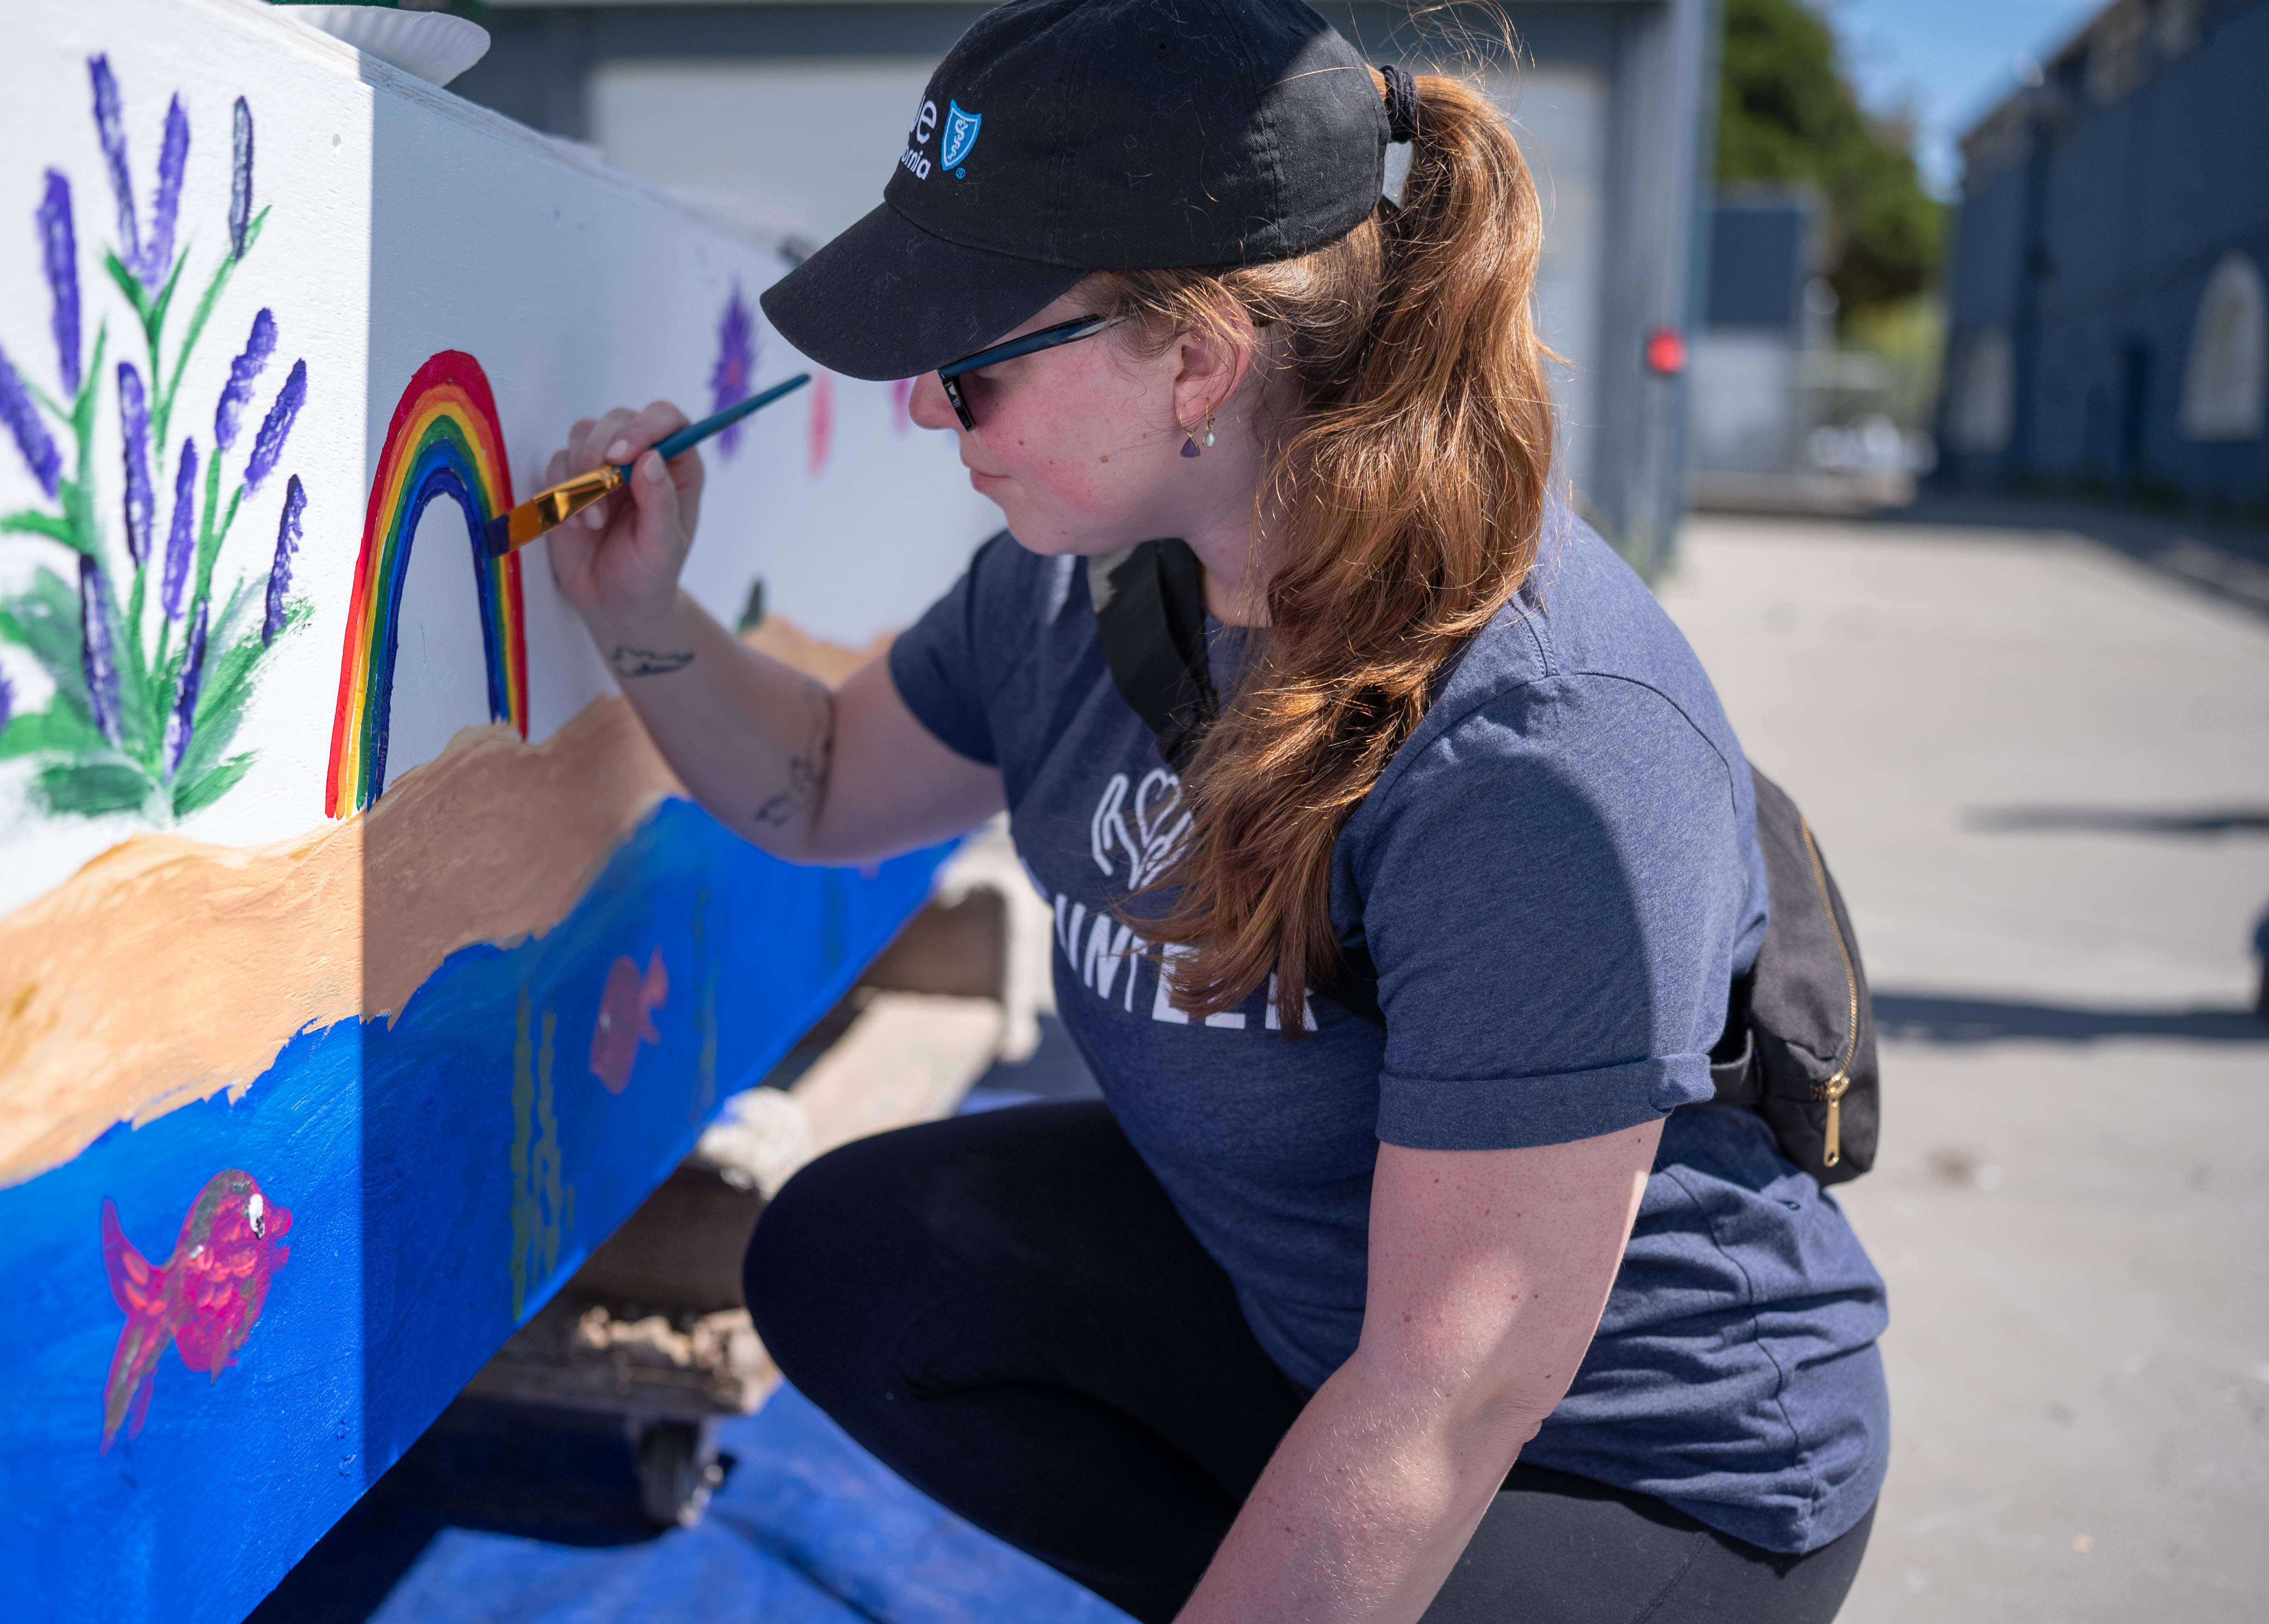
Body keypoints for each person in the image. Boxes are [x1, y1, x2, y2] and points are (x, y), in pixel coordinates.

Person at [541, 2, 1888, 1618]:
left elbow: (1447, 1392)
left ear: (1195, 358)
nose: (919, 409)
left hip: (1619, 1462)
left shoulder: (1543, 751)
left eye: (968, 366)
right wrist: (644, 612)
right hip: (1316, 1326)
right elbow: (828, 777)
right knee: (854, 1261)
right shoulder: (1086, 579)